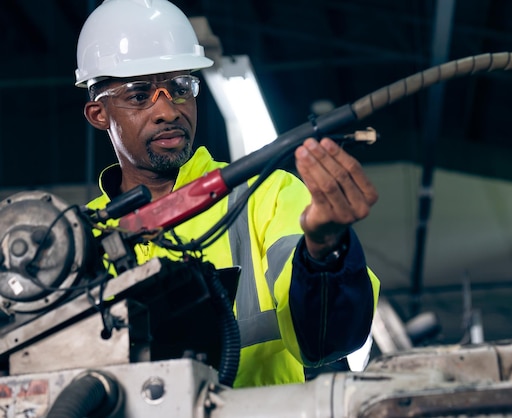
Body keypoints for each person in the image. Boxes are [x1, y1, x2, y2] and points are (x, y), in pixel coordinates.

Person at [76, 0, 380, 388]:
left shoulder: (265, 195)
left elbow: (327, 341)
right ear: (99, 114)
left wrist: (325, 253)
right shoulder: (80, 241)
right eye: (139, 95)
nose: (167, 110)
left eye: (180, 88)